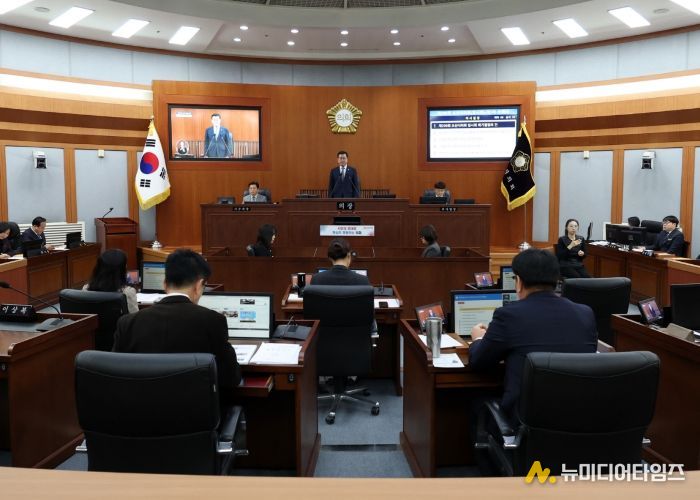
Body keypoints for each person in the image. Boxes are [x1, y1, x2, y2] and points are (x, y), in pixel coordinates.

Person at [468, 249, 597, 422]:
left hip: (526, 422)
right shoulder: (585, 313)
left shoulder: (509, 315)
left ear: (519, 282)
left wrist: (478, 338)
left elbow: (479, 361)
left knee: (476, 404)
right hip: (578, 418)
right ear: (556, 280)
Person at [113, 249, 241, 402]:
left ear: (165, 284)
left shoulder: (127, 323)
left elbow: (116, 377)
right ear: (199, 285)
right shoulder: (213, 321)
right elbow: (231, 378)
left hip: (141, 413)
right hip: (195, 414)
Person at [83, 249, 138, 314]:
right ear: (122, 270)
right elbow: (134, 317)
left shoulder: (86, 289)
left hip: (94, 321)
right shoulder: (127, 292)